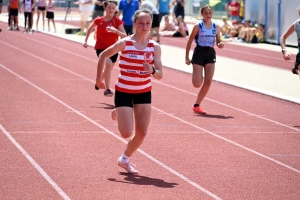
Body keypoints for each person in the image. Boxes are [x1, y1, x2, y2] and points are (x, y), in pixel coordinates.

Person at [95, 9, 163, 174]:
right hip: (124, 91)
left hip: (144, 92)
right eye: (141, 23)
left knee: (142, 132)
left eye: (147, 23)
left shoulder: (155, 47)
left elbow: (160, 75)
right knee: (126, 133)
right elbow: (104, 55)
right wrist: (99, 79)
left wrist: (152, 70)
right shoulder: (125, 43)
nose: (144, 26)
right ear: (134, 24)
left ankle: (124, 159)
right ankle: (120, 110)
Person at [185, 5, 224, 114]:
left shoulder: (216, 26)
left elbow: (218, 40)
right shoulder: (198, 26)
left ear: (212, 14)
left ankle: (197, 105)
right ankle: (197, 73)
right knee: (197, 83)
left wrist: (220, 44)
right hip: (199, 52)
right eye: (206, 13)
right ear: (202, 14)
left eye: (210, 13)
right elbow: (189, 41)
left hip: (210, 53)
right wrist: (187, 57)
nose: (208, 15)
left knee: (208, 81)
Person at [83, 0, 126, 97]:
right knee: (109, 64)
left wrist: (116, 31)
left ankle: (99, 81)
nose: (111, 9)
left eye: (113, 8)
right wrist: (86, 41)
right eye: (109, 8)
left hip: (113, 49)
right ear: (105, 8)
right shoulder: (99, 20)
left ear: (115, 10)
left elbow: (125, 36)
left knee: (108, 69)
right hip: (101, 48)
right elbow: (90, 29)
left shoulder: (117, 21)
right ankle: (107, 89)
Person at [280, 6, 300, 75]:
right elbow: (283, 38)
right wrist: (284, 51)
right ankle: (297, 67)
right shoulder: (297, 24)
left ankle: (296, 67)